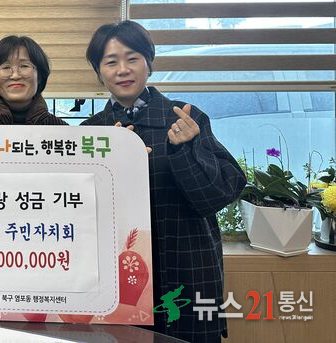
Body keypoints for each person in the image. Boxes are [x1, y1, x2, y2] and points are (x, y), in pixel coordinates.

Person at [81, 21, 246, 343]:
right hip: (118, 275)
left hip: (186, 266)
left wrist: (183, 150)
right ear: (99, 72)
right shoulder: (92, 132)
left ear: (149, 63)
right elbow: (81, 212)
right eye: (111, 62)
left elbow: (215, 197)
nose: (123, 70)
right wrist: (110, 162)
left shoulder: (185, 118)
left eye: (132, 58)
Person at [0, 35, 67, 125]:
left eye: (24, 66)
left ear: (39, 76)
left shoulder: (62, 130)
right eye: (6, 67)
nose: (15, 76)